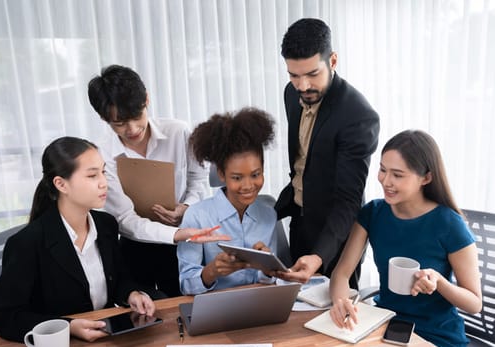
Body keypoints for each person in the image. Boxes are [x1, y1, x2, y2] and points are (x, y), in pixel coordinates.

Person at [0, 137, 156, 343]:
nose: (103, 182)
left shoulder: (106, 225)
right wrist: (68, 326)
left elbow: (118, 279)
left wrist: (131, 294)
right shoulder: (27, 243)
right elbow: (2, 316)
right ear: (61, 184)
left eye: (103, 172)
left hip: (106, 337)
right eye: (92, 175)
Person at [329, 130, 482, 347]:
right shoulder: (373, 212)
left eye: (398, 175)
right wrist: (340, 303)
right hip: (385, 327)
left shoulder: (449, 224)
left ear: (426, 178)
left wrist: (438, 281)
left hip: (435, 335)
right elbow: (341, 273)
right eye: (382, 170)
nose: (386, 181)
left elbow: (474, 303)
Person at [88, 65, 228, 298]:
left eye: (136, 116)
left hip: (184, 236)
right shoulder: (102, 152)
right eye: (120, 123)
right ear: (104, 118)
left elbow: (198, 177)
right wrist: (172, 235)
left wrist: (186, 208)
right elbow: (124, 218)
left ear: (146, 100)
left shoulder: (178, 132)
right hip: (135, 244)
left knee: (187, 305)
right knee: (143, 316)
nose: (132, 129)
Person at [274, 18, 380, 288]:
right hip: (300, 222)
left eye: (312, 74)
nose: (303, 85)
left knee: (339, 323)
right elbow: (303, 165)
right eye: (294, 75)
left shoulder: (358, 116)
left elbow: (348, 201)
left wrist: (320, 255)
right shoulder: (292, 94)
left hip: (338, 239)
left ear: (333, 61)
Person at [177, 107, 278, 295]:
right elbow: (185, 284)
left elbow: (270, 281)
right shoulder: (197, 216)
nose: (248, 185)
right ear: (222, 175)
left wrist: (268, 269)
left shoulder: (268, 214)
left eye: (255, 174)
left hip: (259, 305)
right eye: (237, 178)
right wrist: (211, 271)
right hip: (213, 310)